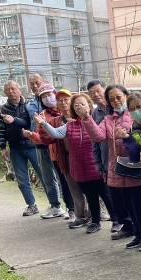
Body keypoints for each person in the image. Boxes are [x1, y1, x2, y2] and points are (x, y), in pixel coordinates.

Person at [83, 84, 141, 252]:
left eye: (118, 97)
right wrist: (87, 118)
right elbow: (98, 136)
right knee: (128, 206)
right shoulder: (109, 119)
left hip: (137, 167)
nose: (115, 101)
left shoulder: (136, 114)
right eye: (111, 99)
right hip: (118, 170)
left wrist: (128, 137)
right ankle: (138, 235)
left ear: (125, 95)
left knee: (139, 206)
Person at [38, 93, 116, 234]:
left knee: (106, 195)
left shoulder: (96, 121)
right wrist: (43, 124)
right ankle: (95, 221)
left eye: (82, 104)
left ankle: (116, 220)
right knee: (91, 196)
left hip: (96, 168)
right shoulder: (70, 125)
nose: (79, 106)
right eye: (76, 105)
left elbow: (101, 138)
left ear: (89, 106)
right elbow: (56, 134)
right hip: (80, 169)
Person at [25, 86, 87, 227]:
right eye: (60, 101)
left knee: (89, 188)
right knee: (71, 187)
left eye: (66, 100)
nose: (63, 103)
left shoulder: (81, 116)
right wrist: (41, 126)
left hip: (84, 159)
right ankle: (78, 215)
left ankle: (95, 214)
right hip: (63, 158)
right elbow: (47, 137)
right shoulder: (53, 119)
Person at [0, 80, 48, 216]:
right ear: (5, 93)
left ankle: (54, 203)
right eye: (8, 90)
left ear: (19, 89)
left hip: (32, 145)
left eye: (13, 89)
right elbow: (1, 130)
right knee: (22, 179)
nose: (11, 92)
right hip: (15, 148)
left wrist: (14, 120)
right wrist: (3, 147)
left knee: (44, 174)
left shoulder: (29, 105)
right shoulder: (2, 109)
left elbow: (27, 122)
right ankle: (31, 205)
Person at [26, 76, 64, 219]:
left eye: (37, 82)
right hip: (40, 144)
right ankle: (55, 205)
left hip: (58, 145)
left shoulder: (60, 101)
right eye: (32, 84)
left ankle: (73, 208)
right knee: (47, 176)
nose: (35, 86)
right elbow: (28, 122)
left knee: (63, 176)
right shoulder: (30, 105)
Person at [87, 79, 116, 230]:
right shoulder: (95, 114)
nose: (96, 95)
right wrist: (98, 163)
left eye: (98, 91)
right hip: (106, 161)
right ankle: (120, 222)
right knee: (113, 194)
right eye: (92, 93)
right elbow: (94, 141)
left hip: (123, 159)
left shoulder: (116, 107)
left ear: (105, 89)